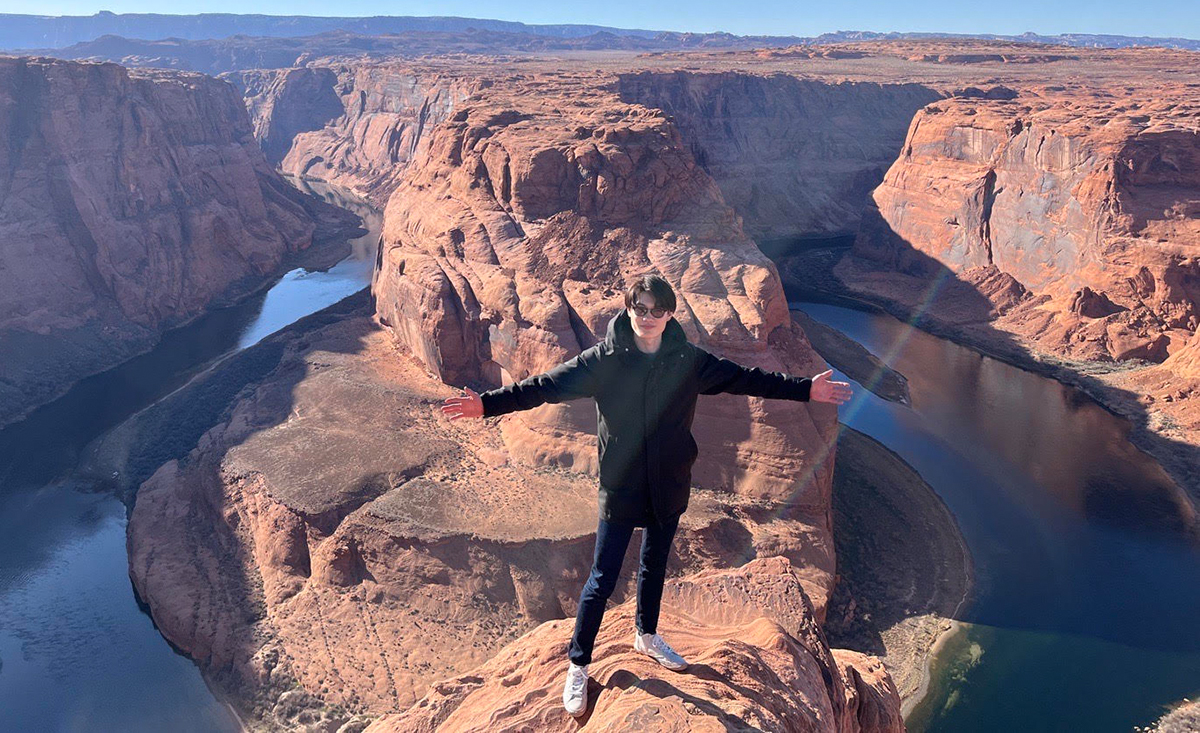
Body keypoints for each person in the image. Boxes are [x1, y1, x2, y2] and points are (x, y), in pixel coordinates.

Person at [440, 274, 852, 717]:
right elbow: (543, 387)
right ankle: (578, 665)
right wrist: (486, 405)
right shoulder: (604, 360)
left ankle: (647, 634)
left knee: (654, 564)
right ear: (628, 307)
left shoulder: (687, 361)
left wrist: (806, 389)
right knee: (602, 578)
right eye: (641, 307)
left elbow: (746, 379)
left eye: (658, 309)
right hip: (621, 484)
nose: (648, 317)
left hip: (669, 481)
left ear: (670, 313)